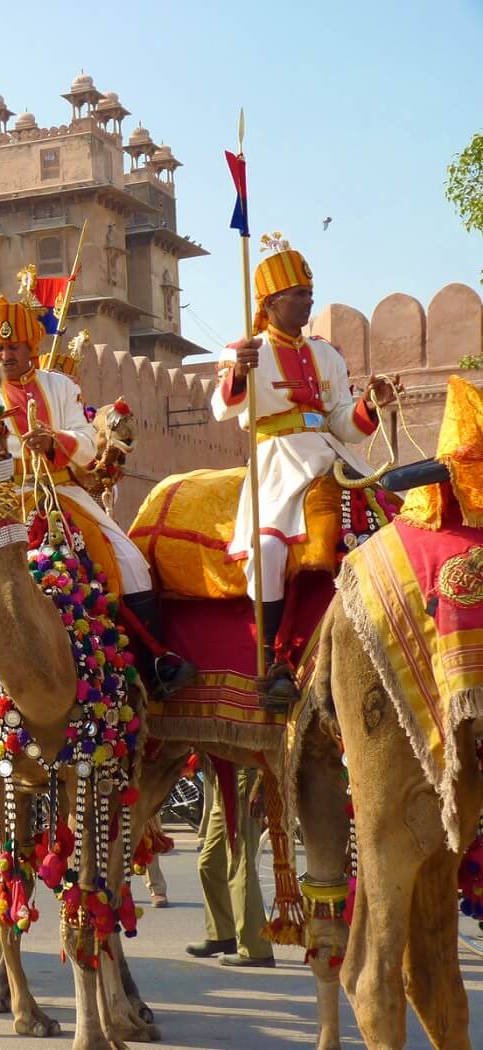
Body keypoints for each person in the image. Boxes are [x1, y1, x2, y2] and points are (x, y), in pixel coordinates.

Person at [0, 284, 195, 707]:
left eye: (13, 346)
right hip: (5, 500)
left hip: (63, 493)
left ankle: (156, 664)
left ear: (31, 347)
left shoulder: (61, 387)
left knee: (130, 563)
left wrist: (53, 441)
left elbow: (86, 443)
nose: (5, 355)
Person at [211, 233, 396, 710]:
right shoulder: (245, 351)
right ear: (271, 301)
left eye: (310, 293)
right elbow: (221, 408)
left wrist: (369, 404)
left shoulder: (327, 354)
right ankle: (270, 659)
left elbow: (343, 423)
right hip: (278, 461)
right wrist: (239, 372)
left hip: (331, 453)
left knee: (393, 510)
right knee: (269, 548)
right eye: (299, 294)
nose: (308, 301)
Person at [186, 764, 273, 967]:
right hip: (221, 777)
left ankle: (256, 949)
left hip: (245, 775)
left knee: (240, 866)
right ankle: (222, 935)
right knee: (209, 864)